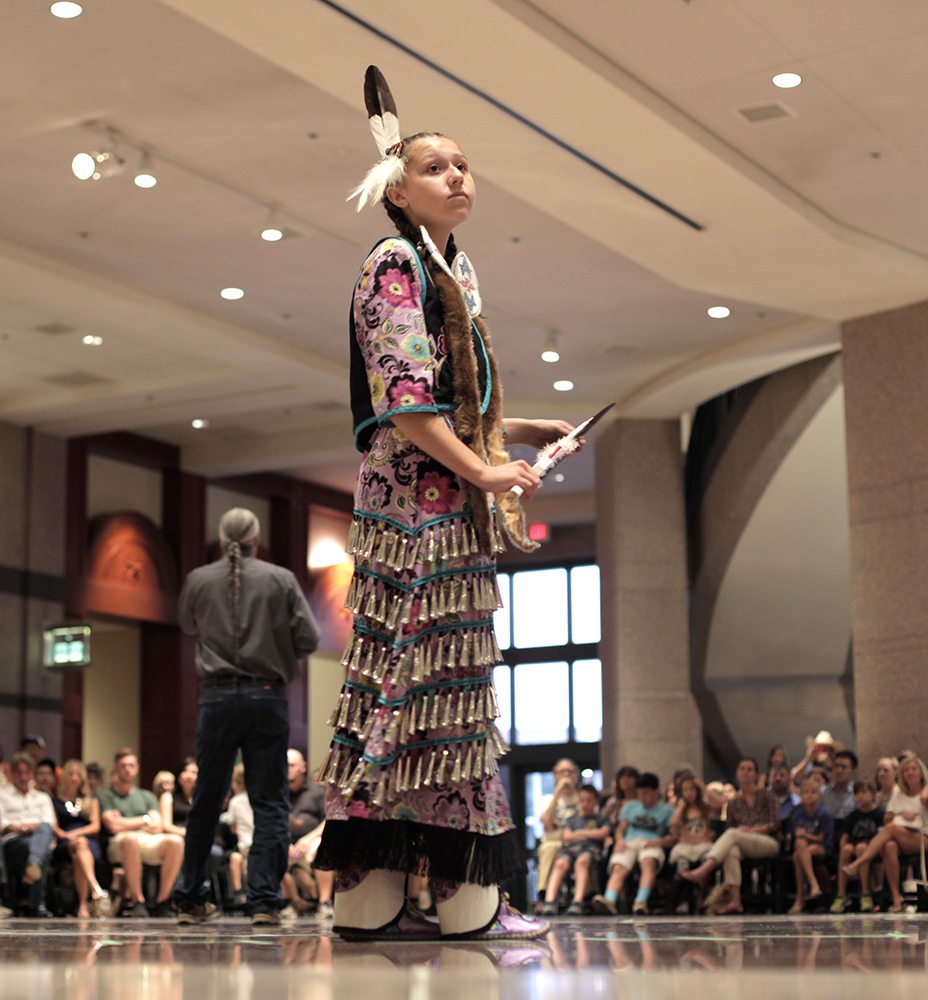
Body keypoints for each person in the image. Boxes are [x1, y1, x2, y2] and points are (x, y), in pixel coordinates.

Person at [313, 65, 567, 942]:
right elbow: (406, 401)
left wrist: (517, 432)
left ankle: (438, 897)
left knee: (443, 685)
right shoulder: (394, 263)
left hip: (446, 497)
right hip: (414, 507)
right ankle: (407, 893)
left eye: (464, 165)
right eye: (435, 166)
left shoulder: (450, 267)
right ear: (397, 185)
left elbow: (456, 403)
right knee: (411, 672)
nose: (458, 176)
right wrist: (491, 472)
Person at [173, 507, 321, 926]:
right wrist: (275, 650)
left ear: (221, 540)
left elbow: (186, 622)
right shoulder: (281, 579)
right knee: (270, 802)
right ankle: (263, 902)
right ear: (257, 540)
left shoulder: (198, 580)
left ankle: (189, 900)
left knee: (205, 799)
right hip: (266, 695)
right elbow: (309, 636)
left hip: (215, 699)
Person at [681, 757, 780, 915]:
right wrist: (742, 831)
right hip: (741, 842)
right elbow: (730, 827)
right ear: (737, 774)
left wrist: (752, 830)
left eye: (749, 769)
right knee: (731, 851)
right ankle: (735, 901)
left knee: (733, 835)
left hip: (767, 841)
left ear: (755, 774)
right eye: (742, 769)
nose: (745, 772)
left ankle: (704, 870)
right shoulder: (734, 802)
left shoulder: (767, 795)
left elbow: (775, 823)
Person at [98, 748, 184, 917]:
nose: (127, 769)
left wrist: (124, 821)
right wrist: (144, 820)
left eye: (131, 765)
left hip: (147, 840)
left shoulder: (147, 796)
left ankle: (162, 901)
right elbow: (113, 826)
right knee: (130, 839)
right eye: (123, 765)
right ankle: (138, 901)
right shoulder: (106, 796)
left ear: (137, 768)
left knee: (176, 841)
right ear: (116, 769)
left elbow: (158, 825)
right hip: (119, 842)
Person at [842, 752, 928, 912]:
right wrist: (901, 814)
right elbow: (886, 819)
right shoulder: (898, 796)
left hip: (923, 838)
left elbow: (924, 799)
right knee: (889, 846)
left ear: (922, 772)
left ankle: (859, 862)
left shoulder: (925, 793)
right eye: (906, 770)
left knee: (891, 830)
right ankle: (896, 897)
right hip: (902, 838)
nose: (910, 772)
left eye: (914, 769)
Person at [591, 772, 674, 916]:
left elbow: (673, 836)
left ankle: (640, 902)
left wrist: (658, 842)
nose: (642, 797)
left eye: (646, 793)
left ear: (656, 791)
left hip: (652, 842)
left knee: (648, 862)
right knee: (619, 867)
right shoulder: (631, 806)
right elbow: (620, 829)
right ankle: (609, 900)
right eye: (640, 793)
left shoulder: (667, 810)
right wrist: (620, 840)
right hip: (629, 842)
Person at [538, 784, 611, 916]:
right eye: (582, 800)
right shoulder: (573, 818)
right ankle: (550, 902)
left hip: (590, 849)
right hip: (571, 849)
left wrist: (579, 833)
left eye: (589, 800)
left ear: (596, 801)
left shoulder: (601, 818)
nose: (585, 804)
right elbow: (567, 835)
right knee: (560, 864)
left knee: (582, 862)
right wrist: (590, 833)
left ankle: (577, 902)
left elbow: (603, 833)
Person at [51, 759, 111, 918]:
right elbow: (54, 826)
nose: (74, 778)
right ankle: (95, 889)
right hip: (64, 842)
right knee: (78, 846)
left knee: (80, 850)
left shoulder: (90, 799)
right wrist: (67, 835)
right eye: (71, 774)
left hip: (87, 840)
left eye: (78, 775)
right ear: (64, 777)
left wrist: (76, 834)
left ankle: (83, 905)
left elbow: (95, 826)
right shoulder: (55, 799)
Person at [0, 753, 56, 917]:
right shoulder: (2, 795)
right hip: (13, 840)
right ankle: (37, 904)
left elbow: (49, 822)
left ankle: (34, 862)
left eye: (27, 773)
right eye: (19, 773)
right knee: (40, 851)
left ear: (32, 774)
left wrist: (32, 827)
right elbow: (2, 823)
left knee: (45, 830)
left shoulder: (42, 797)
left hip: (37, 836)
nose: (23, 777)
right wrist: (17, 828)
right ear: (12, 774)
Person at [286, 749, 334, 921]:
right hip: (288, 844)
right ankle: (292, 902)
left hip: (313, 840)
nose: (287, 769)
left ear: (302, 767)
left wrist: (308, 839)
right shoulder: (279, 794)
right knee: (271, 850)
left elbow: (330, 819)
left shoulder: (316, 792)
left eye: (291, 765)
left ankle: (324, 902)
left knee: (322, 848)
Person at [831, 780, 884, 913]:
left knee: (861, 848)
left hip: (871, 847)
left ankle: (866, 894)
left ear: (873, 794)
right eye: (857, 793)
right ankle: (841, 894)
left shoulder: (880, 813)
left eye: (864, 792)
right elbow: (845, 836)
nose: (860, 796)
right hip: (854, 845)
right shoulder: (853, 816)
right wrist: (843, 846)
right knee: (847, 849)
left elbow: (881, 835)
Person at [537, 759, 581, 901]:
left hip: (577, 841)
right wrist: (558, 793)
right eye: (562, 772)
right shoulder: (548, 799)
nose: (566, 775)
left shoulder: (584, 798)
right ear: (555, 776)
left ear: (577, 775)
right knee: (548, 847)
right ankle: (543, 894)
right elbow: (547, 825)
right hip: (555, 841)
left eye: (570, 771)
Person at [787, 777, 834, 913]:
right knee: (798, 853)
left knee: (800, 850)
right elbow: (796, 834)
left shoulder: (824, 814)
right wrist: (804, 837)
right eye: (806, 792)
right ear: (801, 796)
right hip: (804, 848)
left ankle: (802, 896)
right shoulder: (798, 814)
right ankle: (812, 886)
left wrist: (807, 835)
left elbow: (821, 838)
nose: (809, 795)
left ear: (819, 795)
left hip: (823, 847)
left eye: (813, 792)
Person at [668, 775, 715, 876]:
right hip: (686, 845)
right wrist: (680, 807)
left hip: (703, 844)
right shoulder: (680, 809)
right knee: (681, 861)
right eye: (686, 790)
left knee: (706, 859)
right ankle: (684, 882)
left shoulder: (705, 808)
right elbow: (673, 824)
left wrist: (703, 787)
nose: (689, 793)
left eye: (692, 789)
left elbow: (719, 803)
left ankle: (702, 885)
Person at [820, 750, 857, 824]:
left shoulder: (857, 792)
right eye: (836, 766)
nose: (839, 770)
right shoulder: (823, 792)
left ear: (853, 770)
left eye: (843, 767)